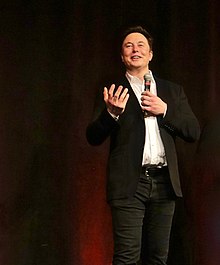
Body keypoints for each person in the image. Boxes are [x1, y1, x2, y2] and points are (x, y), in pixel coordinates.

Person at [86, 26, 200, 265]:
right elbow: (93, 136)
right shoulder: (114, 91)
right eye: (129, 46)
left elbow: (193, 131)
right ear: (122, 56)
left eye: (140, 45)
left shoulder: (171, 90)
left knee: (158, 258)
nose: (135, 49)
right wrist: (111, 114)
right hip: (129, 183)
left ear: (150, 54)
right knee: (127, 258)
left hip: (164, 182)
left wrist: (165, 110)